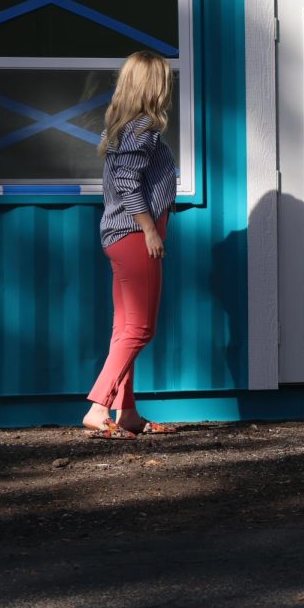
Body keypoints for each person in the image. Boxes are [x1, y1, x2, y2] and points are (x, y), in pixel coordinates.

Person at [81, 51, 179, 439]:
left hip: (118, 236)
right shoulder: (145, 127)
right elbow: (126, 182)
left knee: (124, 328)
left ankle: (128, 413)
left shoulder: (120, 126)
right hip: (135, 237)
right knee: (140, 329)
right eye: (164, 81)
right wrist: (149, 229)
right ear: (154, 86)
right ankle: (98, 407)